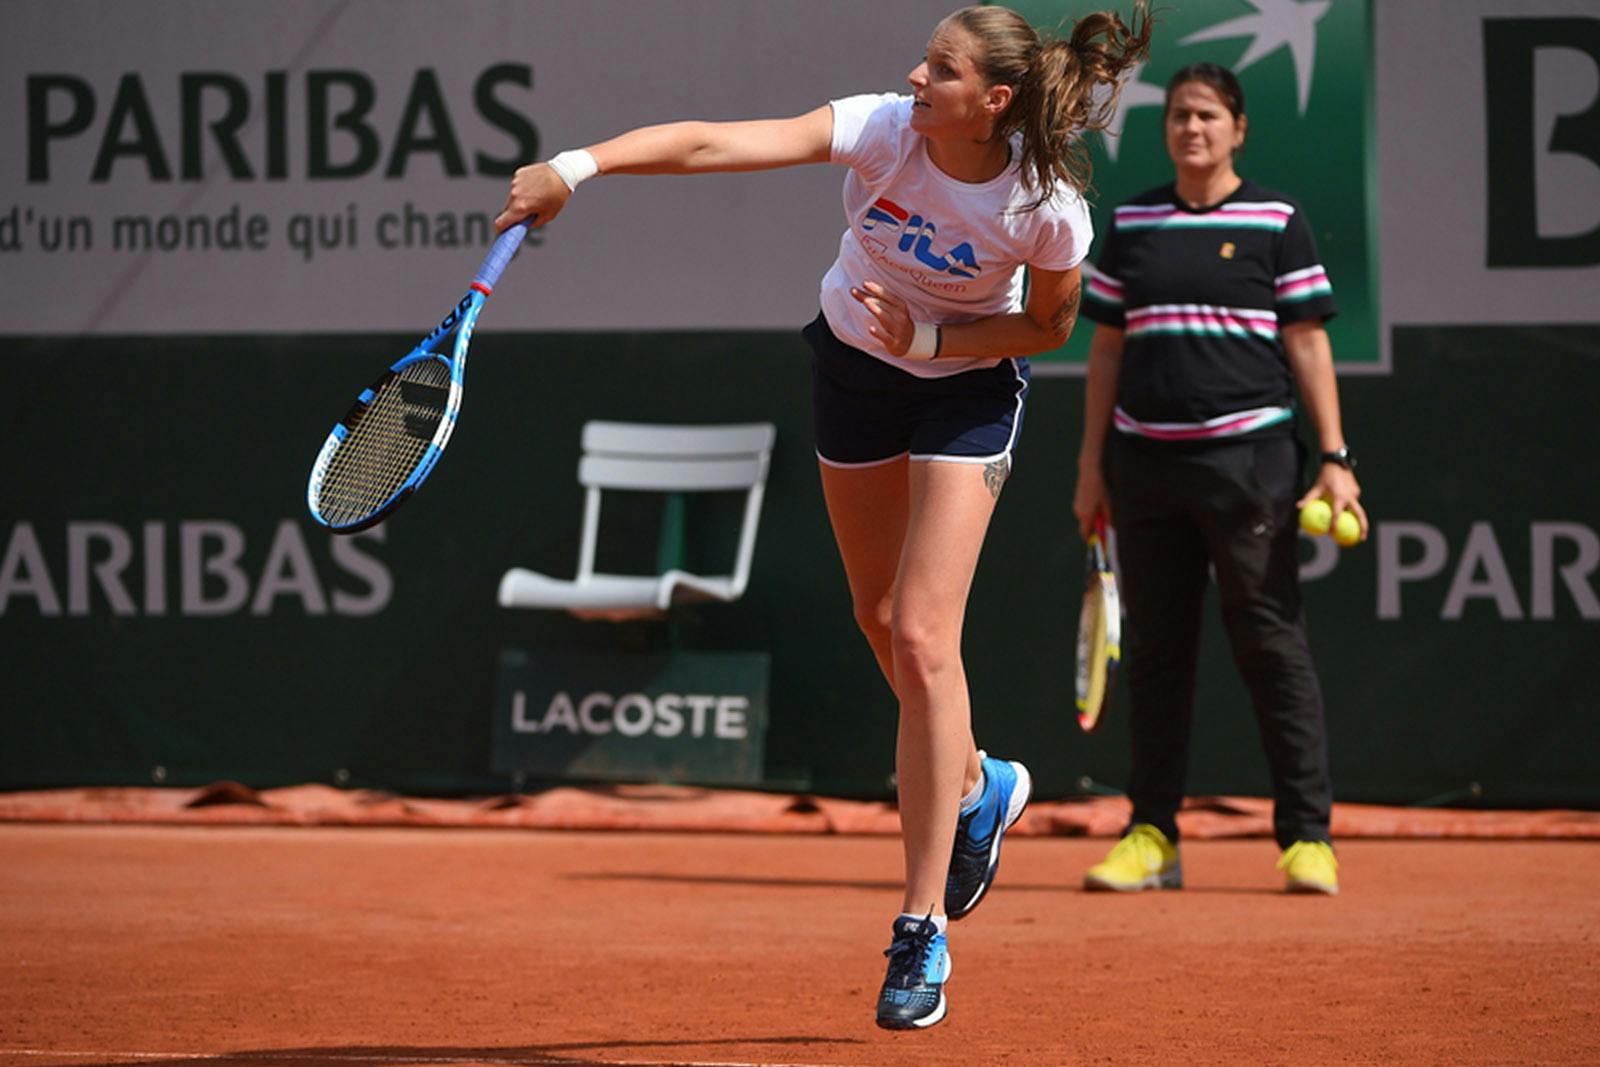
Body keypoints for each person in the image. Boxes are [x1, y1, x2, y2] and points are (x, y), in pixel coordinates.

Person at [496, 3, 1151, 1030]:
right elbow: (718, 139)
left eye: (940, 67)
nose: (914, 75)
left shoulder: (1043, 206)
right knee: (879, 616)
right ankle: (979, 781)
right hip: (852, 368)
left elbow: (1049, 324)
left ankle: (920, 926)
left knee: (929, 636)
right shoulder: (885, 130)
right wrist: (576, 168)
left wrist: (935, 338)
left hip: (965, 386)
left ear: (994, 99)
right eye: (923, 60)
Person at [1073, 62, 1363, 896]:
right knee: (1158, 656)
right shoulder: (1131, 222)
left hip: (1252, 466)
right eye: (1176, 116)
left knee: (1272, 647)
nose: (1188, 128)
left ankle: (1308, 838)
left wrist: (1336, 458)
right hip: (1144, 467)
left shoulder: (1277, 219)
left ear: (1238, 128)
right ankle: (1152, 835)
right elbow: (1105, 350)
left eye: (1205, 115)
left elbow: (1308, 340)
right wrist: (1092, 467)